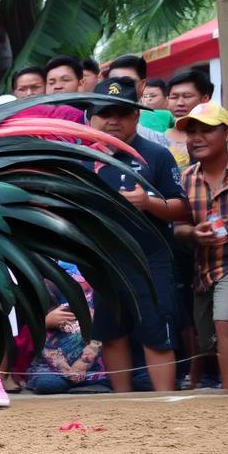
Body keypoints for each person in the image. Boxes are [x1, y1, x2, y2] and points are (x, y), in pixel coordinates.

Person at [86, 78, 189, 393]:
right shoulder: (82, 159)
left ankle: (165, 404)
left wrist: (148, 203)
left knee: (156, 333)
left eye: (122, 113)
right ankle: (122, 404)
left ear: (135, 116)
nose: (113, 120)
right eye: (105, 113)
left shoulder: (156, 155)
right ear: (91, 118)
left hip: (150, 261)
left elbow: (181, 208)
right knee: (112, 333)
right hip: (105, 263)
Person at [178, 103, 228, 394]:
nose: (196, 137)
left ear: (226, 133)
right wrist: (194, 233)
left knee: (225, 323)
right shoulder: (185, 178)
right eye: (192, 132)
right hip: (203, 268)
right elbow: (177, 227)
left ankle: (226, 395)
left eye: (206, 130)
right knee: (206, 337)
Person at [25, 263, 110, 395]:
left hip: (92, 368)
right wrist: (46, 322)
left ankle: (88, 384)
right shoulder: (45, 304)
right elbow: (44, 343)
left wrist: (83, 363)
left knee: (110, 378)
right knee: (47, 383)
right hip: (52, 368)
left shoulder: (95, 303)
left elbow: (99, 337)